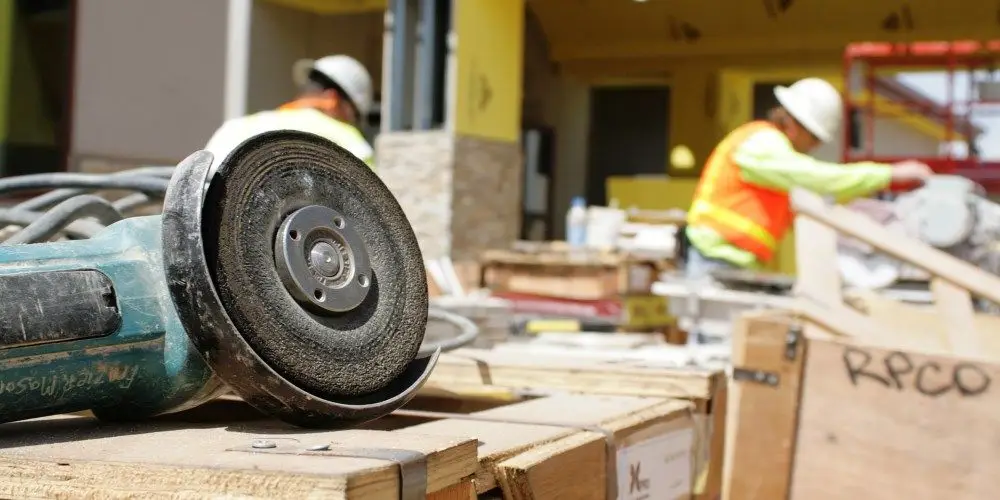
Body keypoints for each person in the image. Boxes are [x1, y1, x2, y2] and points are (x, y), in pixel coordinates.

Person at [683, 77, 934, 280]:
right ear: (793, 124)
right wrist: (889, 174)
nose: (814, 147)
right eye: (814, 138)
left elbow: (809, 207)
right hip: (715, 260)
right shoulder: (761, 144)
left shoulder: (776, 160)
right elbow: (816, 177)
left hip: (733, 261)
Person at [204, 54, 375, 176]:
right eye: (352, 116)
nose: (350, 123)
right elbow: (375, 209)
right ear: (333, 99)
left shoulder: (236, 126)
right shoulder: (348, 140)